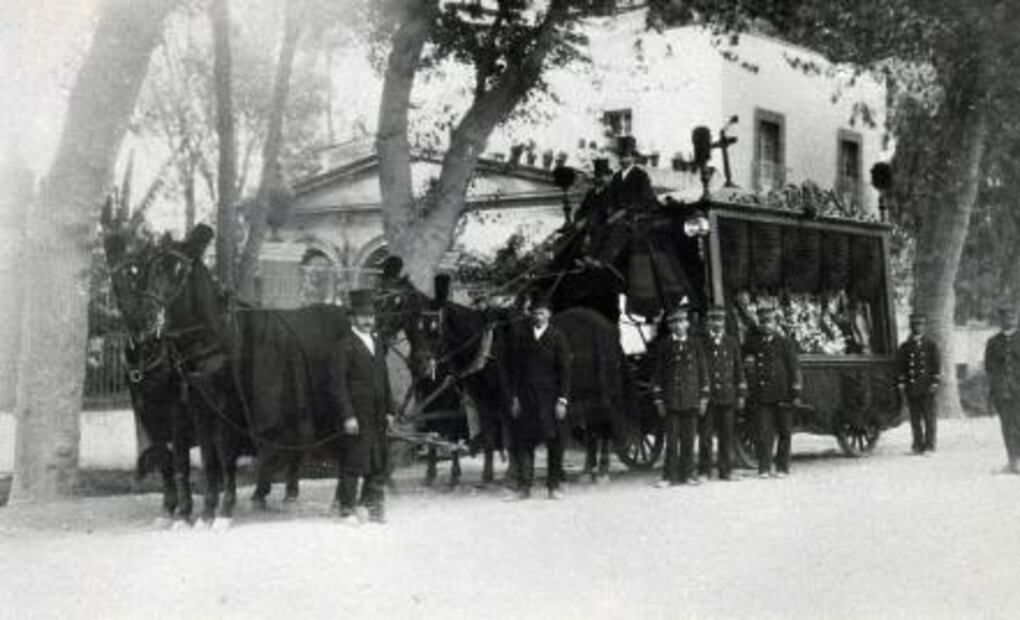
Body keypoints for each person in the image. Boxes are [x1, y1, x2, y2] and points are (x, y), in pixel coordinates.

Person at [329, 289, 394, 524]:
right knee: (354, 461)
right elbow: (337, 385)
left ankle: (372, 505)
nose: (368, 320)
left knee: (378, 459)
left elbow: (384, 378)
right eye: (363, 315)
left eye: (372, 315)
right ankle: (346, 508)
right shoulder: (344, 345)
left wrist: (389, 410)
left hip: (377, 413)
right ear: (352, 317)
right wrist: (347, 415)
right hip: (358, 414)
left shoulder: (376, 343)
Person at [507, 294, 572, 500]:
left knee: (553, 443)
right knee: (525, 443)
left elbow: (565, 371)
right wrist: (516, 398)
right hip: (527, 399)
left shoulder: (557, 337)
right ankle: (524, 488)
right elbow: (516, 370)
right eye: (535, 313)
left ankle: (553, 487)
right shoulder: (523, 337)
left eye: (542, 313)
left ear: (549, 315)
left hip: (550, 400)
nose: (538, 317)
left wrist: (562, 400)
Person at [653, 306, 709, 487]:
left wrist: (703, 397)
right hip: (671, 401)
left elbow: (703, 372)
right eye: (674, 322)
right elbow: (658, 374)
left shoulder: (696, 345)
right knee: (672, 440)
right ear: (670, 326)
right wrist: (659, 399)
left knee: (689, 439)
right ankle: (669, 476)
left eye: (681, 322)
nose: (678, 326)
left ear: (687, 324)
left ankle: (688, 475)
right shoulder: (664, 346)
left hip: (691, 399)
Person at [744, 305, 801, 479]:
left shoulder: (785, 343)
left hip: (783, 394)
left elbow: (794, 369)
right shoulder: (753, 343)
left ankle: (782, 467)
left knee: (785, 432)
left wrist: (796, 393)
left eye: (769, 321)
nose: (766, 325)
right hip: (762, 396)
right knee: (763, 433)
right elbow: (742, 358)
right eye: (762, 322)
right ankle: (764, 467)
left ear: (776, 323)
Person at [698, 306, 746, 482]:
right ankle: (704, 471)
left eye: (719, 320)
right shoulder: (702, 343)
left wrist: (741, 393)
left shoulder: (731, 342)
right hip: (709, 398)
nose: (716, 323)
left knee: (727, 435)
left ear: (724, 322)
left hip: (727, 396)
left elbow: (739, 369)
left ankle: (726, 471)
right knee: (706, 437)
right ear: (708, 323)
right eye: (712, 320)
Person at [895, 312, 941, 455]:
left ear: (924, 326)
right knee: (915, 419)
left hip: (927, 387)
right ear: (910, 326)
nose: (917, 327)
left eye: (920, 324)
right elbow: (901, 366)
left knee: (929, 418)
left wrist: (935, 382)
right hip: (912, 387)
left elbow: (936, 365)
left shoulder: (931, 345)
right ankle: (917, 444)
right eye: (915, 324)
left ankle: (930, 446)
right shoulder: (905, 347)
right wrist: (901, 382)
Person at [985, 304, 1020, 473]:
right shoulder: (993, 342)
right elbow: (989, 368)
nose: (1010, 320)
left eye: (1013, 317)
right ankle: (1012, 461)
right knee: (1007, 427)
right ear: (1001, 320)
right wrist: (995, 390)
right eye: (1006, 317)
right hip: (1003, 392)